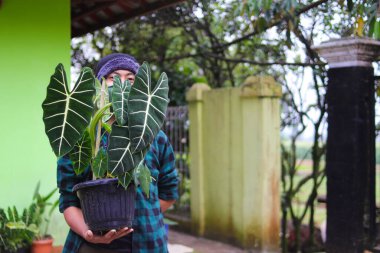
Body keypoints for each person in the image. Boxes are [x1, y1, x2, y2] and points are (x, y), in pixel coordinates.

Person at [57, 53, 179, 253]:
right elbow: (68, 200)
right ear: (100, 84)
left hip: (148, 244)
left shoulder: (156, 137)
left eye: (130, 79)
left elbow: (169, 192)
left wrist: (135, 217)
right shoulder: (79, 136)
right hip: (91, 247)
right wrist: (90, 232)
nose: (123, 85)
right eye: (113, 77)